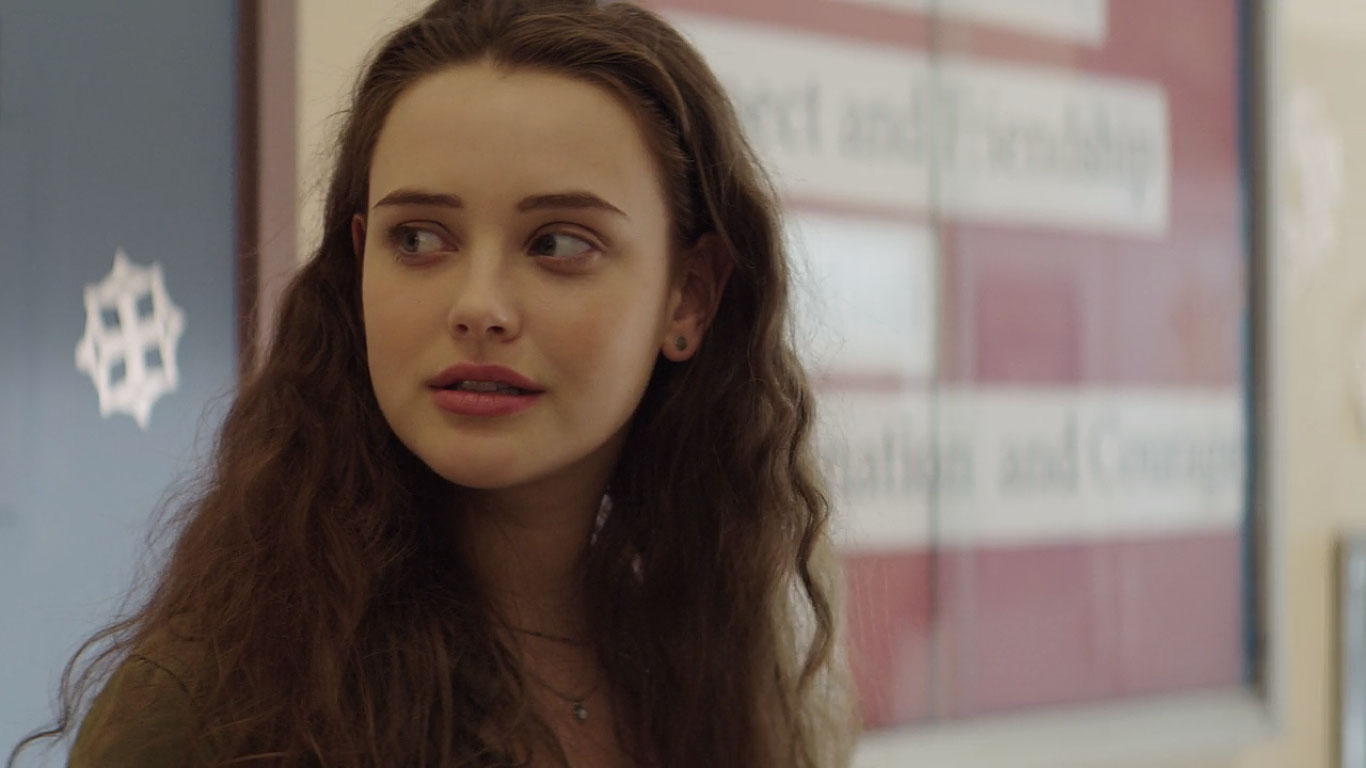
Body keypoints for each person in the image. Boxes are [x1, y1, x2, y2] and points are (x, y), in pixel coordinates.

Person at [9, 0, 857, 765]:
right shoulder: (221, 706)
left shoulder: (711, 665)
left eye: (558, 244)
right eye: (418, 239)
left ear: (691, 296)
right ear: (358, 264)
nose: (478, 306)